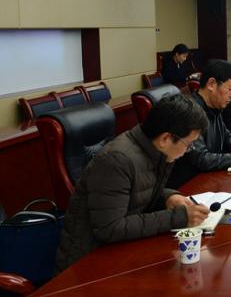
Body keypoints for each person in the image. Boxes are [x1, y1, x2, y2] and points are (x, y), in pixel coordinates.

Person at [56, 94, 212, 271]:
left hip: (121, 250)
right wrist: (179, 217)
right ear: (165, 139)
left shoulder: (152, 150)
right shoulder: (117, 160)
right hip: (88, 266)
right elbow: (110, 228)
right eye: (189, 144)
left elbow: (136, 192)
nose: (188, 150)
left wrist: (168, 197)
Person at [167, 60, 231, 188]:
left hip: (209, 177)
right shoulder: (190, 112)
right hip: (189, 184)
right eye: (230, 89)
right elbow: (201, 159)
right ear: (211, 84)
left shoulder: (214, 105)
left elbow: (225, 132)